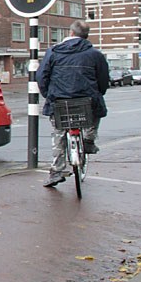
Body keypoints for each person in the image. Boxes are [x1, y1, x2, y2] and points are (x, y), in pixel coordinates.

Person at [38, 20, 109, 188]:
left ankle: (57, 171)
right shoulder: (95, 54)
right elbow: (103, 80)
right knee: (96, 112)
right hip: (87, 100)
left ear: (70, 33)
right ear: (86, 36)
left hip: (60, 100)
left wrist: (48, 95)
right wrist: (99, 92)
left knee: (59, 134)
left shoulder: (53, 52)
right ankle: (89, 141)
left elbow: (42, 77)